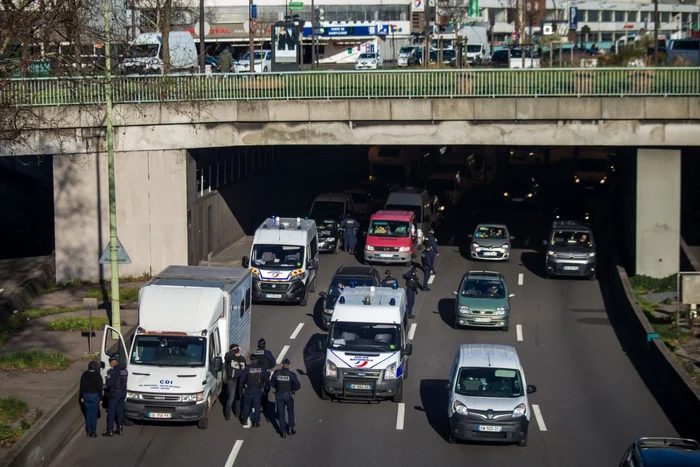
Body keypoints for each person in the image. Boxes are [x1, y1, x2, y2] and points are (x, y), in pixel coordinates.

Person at [270, 358, 301, 438]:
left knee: (281, 413)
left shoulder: (277, 373)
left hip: (279, 395)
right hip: (288, 396)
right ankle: (290, 428)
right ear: (289, 365)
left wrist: (277, 388)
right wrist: (293, 389)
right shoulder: (291, 374)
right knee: (290, 411)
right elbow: (298, 385)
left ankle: (283, 431)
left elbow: (272, 383)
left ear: (281, 364)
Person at [240, 354, 269, 427]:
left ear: (251, 360)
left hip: (248, 389)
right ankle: (256, 422)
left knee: (247, 405)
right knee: (257, 406)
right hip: (258, 390)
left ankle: (245, 420)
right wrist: (265, 389)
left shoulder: (247, 369)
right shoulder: (262, 368)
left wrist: (241, 389)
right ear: (257, 360)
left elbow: (242, 380)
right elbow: (266, 380)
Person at [102, 355, 128, 437]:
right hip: (123, 392)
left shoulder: (114, 371)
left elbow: (109, 383)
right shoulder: (124, 370)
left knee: (111, 412)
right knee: (120, 410)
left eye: (110, 363)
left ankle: (110, 430)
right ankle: (120, 428)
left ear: (112, 362)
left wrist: (107, 381)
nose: (110, 365)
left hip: (115, 393)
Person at [80, 360, 103, 438]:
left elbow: (82, 387)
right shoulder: (98, 375)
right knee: (94, 415)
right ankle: (93, 432)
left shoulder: (84, 374)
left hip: (86, 396)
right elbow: (100, 388)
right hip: (95, 396)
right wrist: (101, 399)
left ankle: (88, 431)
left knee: (88, 414)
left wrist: (82, 397)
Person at [224, 344, 246, 421]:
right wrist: (236, 349)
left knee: (239, 397)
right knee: (231, 398)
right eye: (234, 350)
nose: (236, 352)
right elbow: (229, 354)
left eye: (236, 350)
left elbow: (245, 369)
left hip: (240, 381)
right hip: (232, 380)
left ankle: (238, 413)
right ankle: (227, 415)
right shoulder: (228, 358)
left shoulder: (242, 358)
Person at [252, 338, 276, 412]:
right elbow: (273, 362)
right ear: (264, 345)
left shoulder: (254, 353)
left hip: (255, 373)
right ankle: (264, 404)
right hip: (265, 373)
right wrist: (268, 367)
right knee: (266, 388)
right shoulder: (267, 353)